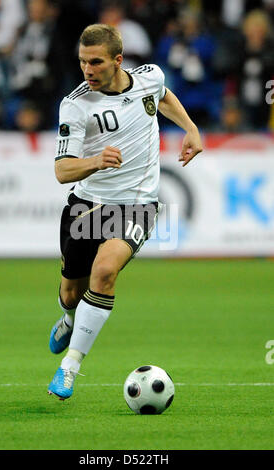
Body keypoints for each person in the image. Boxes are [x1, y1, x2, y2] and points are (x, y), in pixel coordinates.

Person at [47, 23, 202, 400]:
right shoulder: (76, 104)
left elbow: (162, 96)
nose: (88, 70)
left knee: (104, 272)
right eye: (83, 62)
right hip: (87, 207)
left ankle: (70, 367)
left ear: (118, 60)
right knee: (71, 292)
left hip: (136, 205)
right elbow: (61, 170)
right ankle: (69, 317)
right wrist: (96, 161)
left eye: (96, 62)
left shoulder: (149, 77)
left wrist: (191, 129)